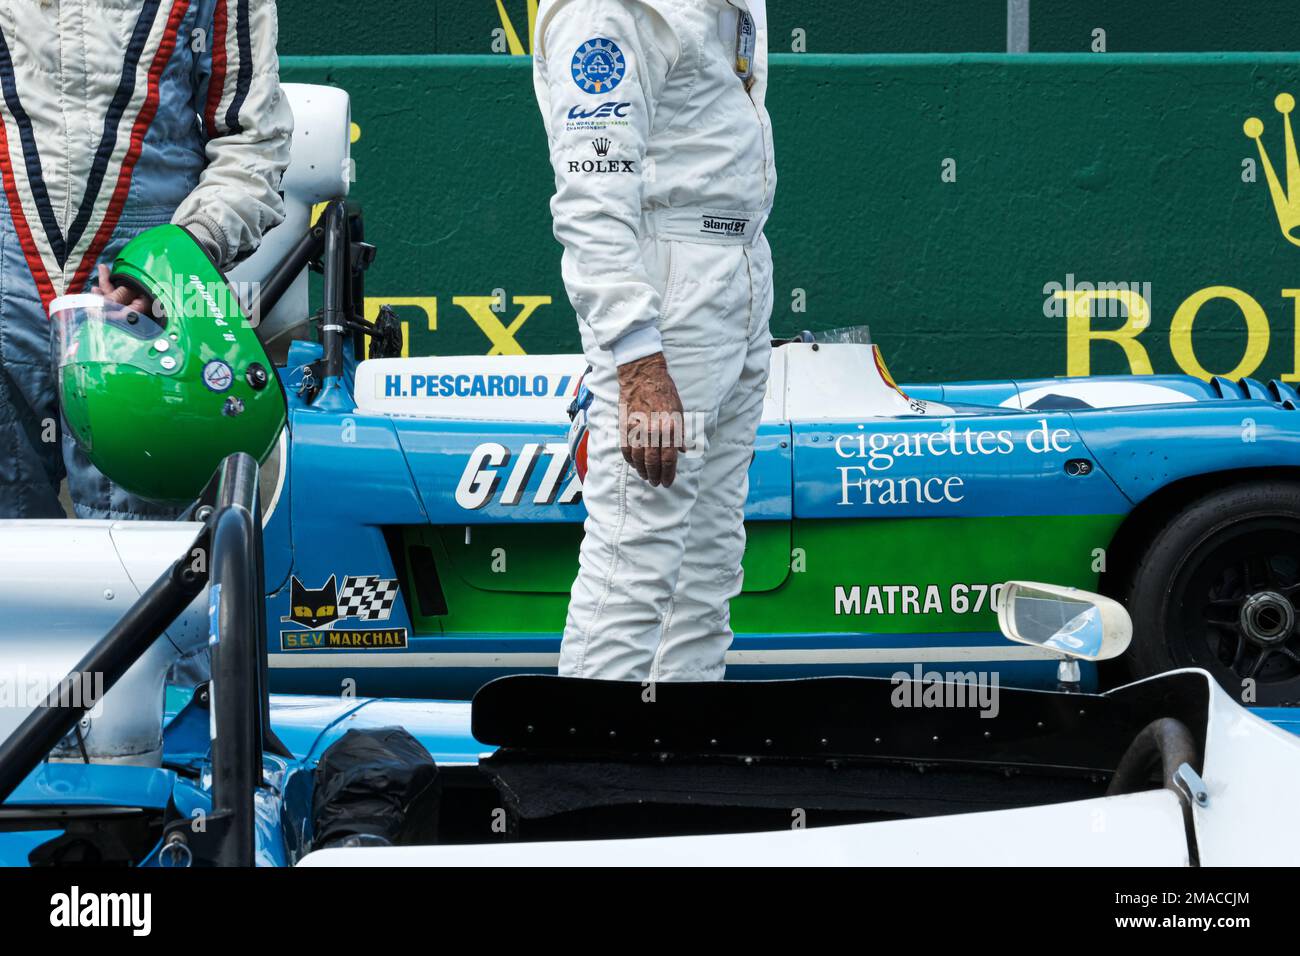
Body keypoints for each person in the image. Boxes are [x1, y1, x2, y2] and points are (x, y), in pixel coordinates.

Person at [533, 0, 775, 681]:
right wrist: (638, 358)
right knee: (633, 560)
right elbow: (590, 200)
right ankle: (583, 772)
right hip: (670, 285)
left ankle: (683, 768)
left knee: (709, 564)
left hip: (738, 259)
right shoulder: (602, 10)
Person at [0, 0, 292, 519]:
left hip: (152, 301)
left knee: (143, 569)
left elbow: (253, 140)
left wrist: (181, 260)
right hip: (9, 299)